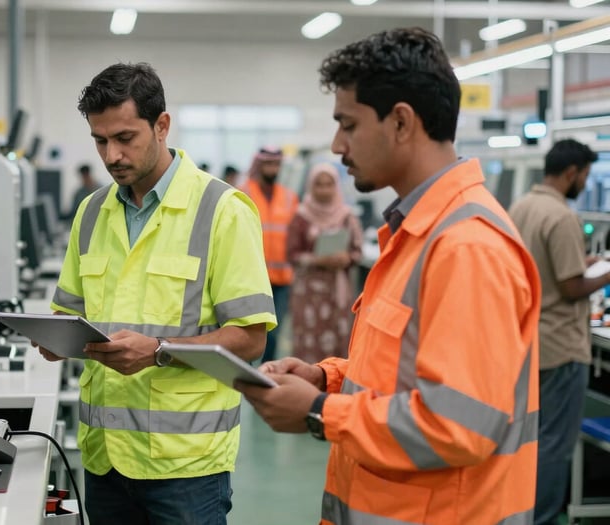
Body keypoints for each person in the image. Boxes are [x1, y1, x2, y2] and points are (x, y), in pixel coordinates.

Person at [237, 27, 542, 525]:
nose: (337, 145)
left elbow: (459, 424)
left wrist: (318, 411)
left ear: (401, 122)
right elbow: (402, 371)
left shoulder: (466, 247)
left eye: (348, 124)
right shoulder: (417, 234)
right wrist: (327, 380)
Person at [38, 62, 276, 525]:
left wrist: (160, 351)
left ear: (162, 125)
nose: (111, 156)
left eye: (125, 138)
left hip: (185, 465)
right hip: (104, 457)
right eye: (100, 141)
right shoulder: (90, 213)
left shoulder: (222, 211)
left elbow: (250, 339)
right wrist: (53, 340)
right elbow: (68, 313)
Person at [508, 138, 601, 525]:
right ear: (571, 173)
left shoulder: (521, 207)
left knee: (530, 440)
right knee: (554, 445)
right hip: (561, 347)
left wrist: (586, 261)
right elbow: (571, 287)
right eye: (585, 176)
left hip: (528, 343)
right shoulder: (562, 217)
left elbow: (543, 267)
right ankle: (543, 518)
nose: (584, 182)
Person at [287, 162, 363, 363]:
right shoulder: (301, 216)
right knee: (309, 341)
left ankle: (335, 387)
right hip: (309, 293)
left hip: (337, 292)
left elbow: (357, 251)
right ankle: (307, 390)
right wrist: (318, 260)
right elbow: (291, 254)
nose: (324, 190)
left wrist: (346, 258)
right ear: (311, 186)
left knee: (339, 340)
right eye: (319, 184)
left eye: (329, 184)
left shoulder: (346, 216)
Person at [240, 146, 299, 363]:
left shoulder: (289, 198)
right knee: (248, 331)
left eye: (276, 164)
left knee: (274, 332)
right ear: (259, 164)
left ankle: (268, 374)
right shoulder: (243, 192)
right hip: (251, 277)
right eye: (268, 164)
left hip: (282, 278)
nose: (273, 168)